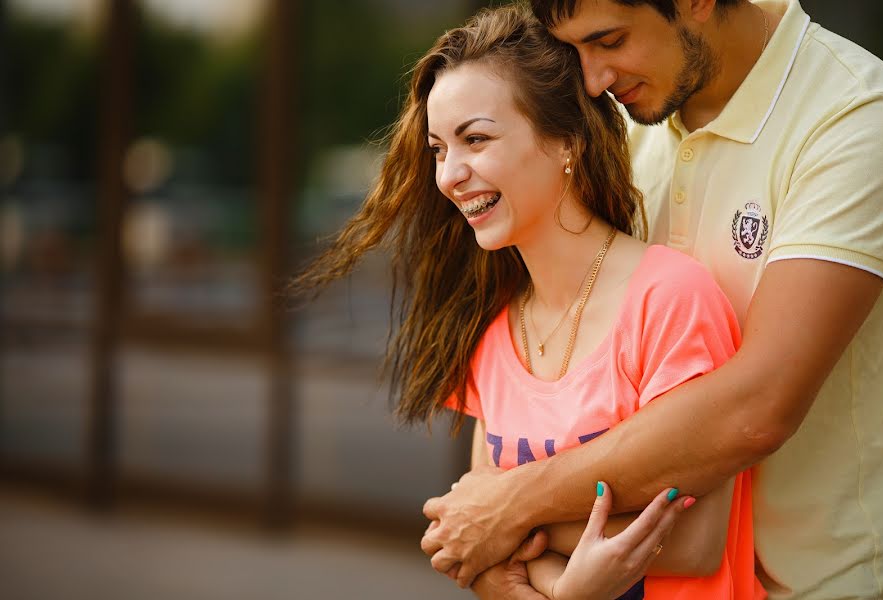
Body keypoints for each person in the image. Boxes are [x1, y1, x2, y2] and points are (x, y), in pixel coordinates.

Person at [420, 0, 883, 598]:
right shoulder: (626, 117)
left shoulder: (856, 119)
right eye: (576, 53)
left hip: (825, 582)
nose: (592, 80)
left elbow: (758, 406)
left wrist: (512, 508)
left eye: (610, 41)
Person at [293, 4, 768, 598]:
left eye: (476, 139)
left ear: (566, 140)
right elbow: (470, 541)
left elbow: (697, 544)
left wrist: (513, 527)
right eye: (440, 148)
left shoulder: (672, 300)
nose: (449, 175)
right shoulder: (497, 327)